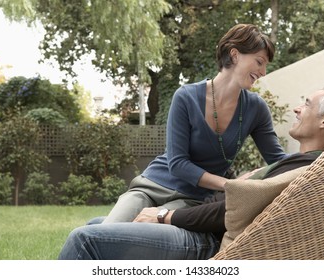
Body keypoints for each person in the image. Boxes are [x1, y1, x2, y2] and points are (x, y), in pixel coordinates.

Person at [58, 87, 324, 260]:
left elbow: (226, 212)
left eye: (306, 105)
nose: (297, 109)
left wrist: (164, 216)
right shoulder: (307, 164)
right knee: (97, 224)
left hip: (203, 241)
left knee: (85, 238)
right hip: (200, 228)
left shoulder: (303, 168)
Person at [102, 23, 286, 224]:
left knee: (142, 236)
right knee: (104, 232)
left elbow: (278, 160)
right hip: (152, 186)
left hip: (191, 200)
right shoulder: (186, 97)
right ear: (234, 55)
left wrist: (316, 162)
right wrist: (230, 185)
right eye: (259, 62)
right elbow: (178, 164)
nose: (263, 72)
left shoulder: (255, 108)